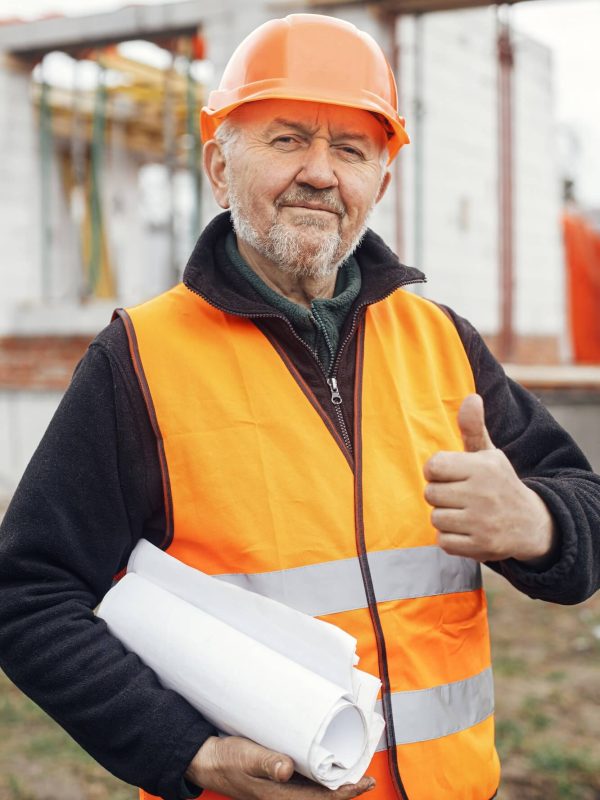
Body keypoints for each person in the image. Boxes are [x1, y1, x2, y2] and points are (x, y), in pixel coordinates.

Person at [0, 12, 599, 800]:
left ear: (380, 183)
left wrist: (539, 522)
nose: (320, 173)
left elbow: (585, 512)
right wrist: (187, 752)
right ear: (220, 167)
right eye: (287, 139)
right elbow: (27, 594)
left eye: (350, 149)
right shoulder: (139, 360)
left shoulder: (442, 341)